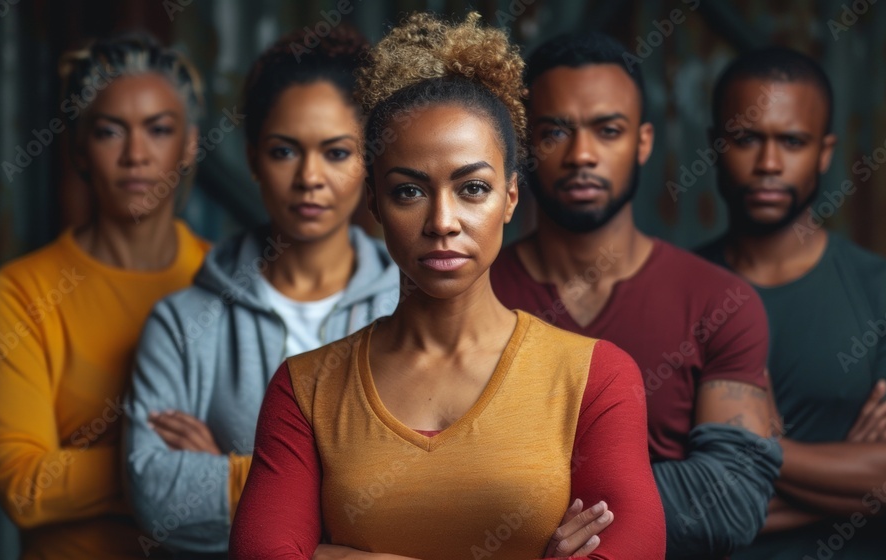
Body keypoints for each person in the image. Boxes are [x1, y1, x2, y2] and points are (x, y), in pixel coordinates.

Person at [229, 13, 665, 559]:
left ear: (510, 198)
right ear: (374, 204)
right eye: (409, 192)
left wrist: (329, 553)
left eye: (472, 188)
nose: (442, 221)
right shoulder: (305, 388)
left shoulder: (596, 378)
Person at [488, 32, 782, 558]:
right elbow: (428, 479)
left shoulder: (720, 302)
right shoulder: (468, 292)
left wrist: (515, 506)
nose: (582, 155)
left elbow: (729, 501)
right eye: (556, 131)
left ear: (642, 141)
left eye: (608, 130)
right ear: (524, 143)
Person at [122, 27, 403, 557]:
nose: (309, 178)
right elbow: (155, 495)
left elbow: (436, 486)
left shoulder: (410, 304)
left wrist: (234, 473)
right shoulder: (182, 323)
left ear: (370, 162)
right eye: (284, 151)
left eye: (338, 153)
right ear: (252, 159)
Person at [697, 46, 886, 559]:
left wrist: (748, 453)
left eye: (792, 141)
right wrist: (855, 469)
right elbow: (679, 507)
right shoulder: (671, 291)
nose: (769, 163)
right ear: (716, 145)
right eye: (747, 138)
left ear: (825, 152)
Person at [0, 34, 208, 559]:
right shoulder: (21, 291)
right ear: (80, 146)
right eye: (110, 132)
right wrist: (171, 466)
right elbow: (21, 486)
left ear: (191, 143)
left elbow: (261, 468)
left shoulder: (228, 280)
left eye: (159, 129)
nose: (135, 155)